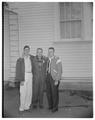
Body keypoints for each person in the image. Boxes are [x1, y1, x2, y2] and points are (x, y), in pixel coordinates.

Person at [15, 45, 34, 111]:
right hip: (24, 75)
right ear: (24, 51)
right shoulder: (20, 59)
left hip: (30, 75)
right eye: (25, 50)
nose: (27, 51)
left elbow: (39, 58)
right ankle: (22, 107)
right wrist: (21, 79)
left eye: (28, 50)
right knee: (23, 92)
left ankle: (27, 106)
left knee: (29, 92)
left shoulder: (32, 58)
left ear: (29, 51)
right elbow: (18, 70)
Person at [46, 47, 62, 112]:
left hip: (54, 78)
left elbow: (60, 70)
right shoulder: (47, 59)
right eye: (49, 51)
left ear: (53, 52)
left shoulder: (57, 59)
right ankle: (51, 106)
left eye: (51, 51)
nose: (50, 53)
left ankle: (55, 107)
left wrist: (57, 80)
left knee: (54, 93)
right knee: (49, 93)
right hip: (48, 77)